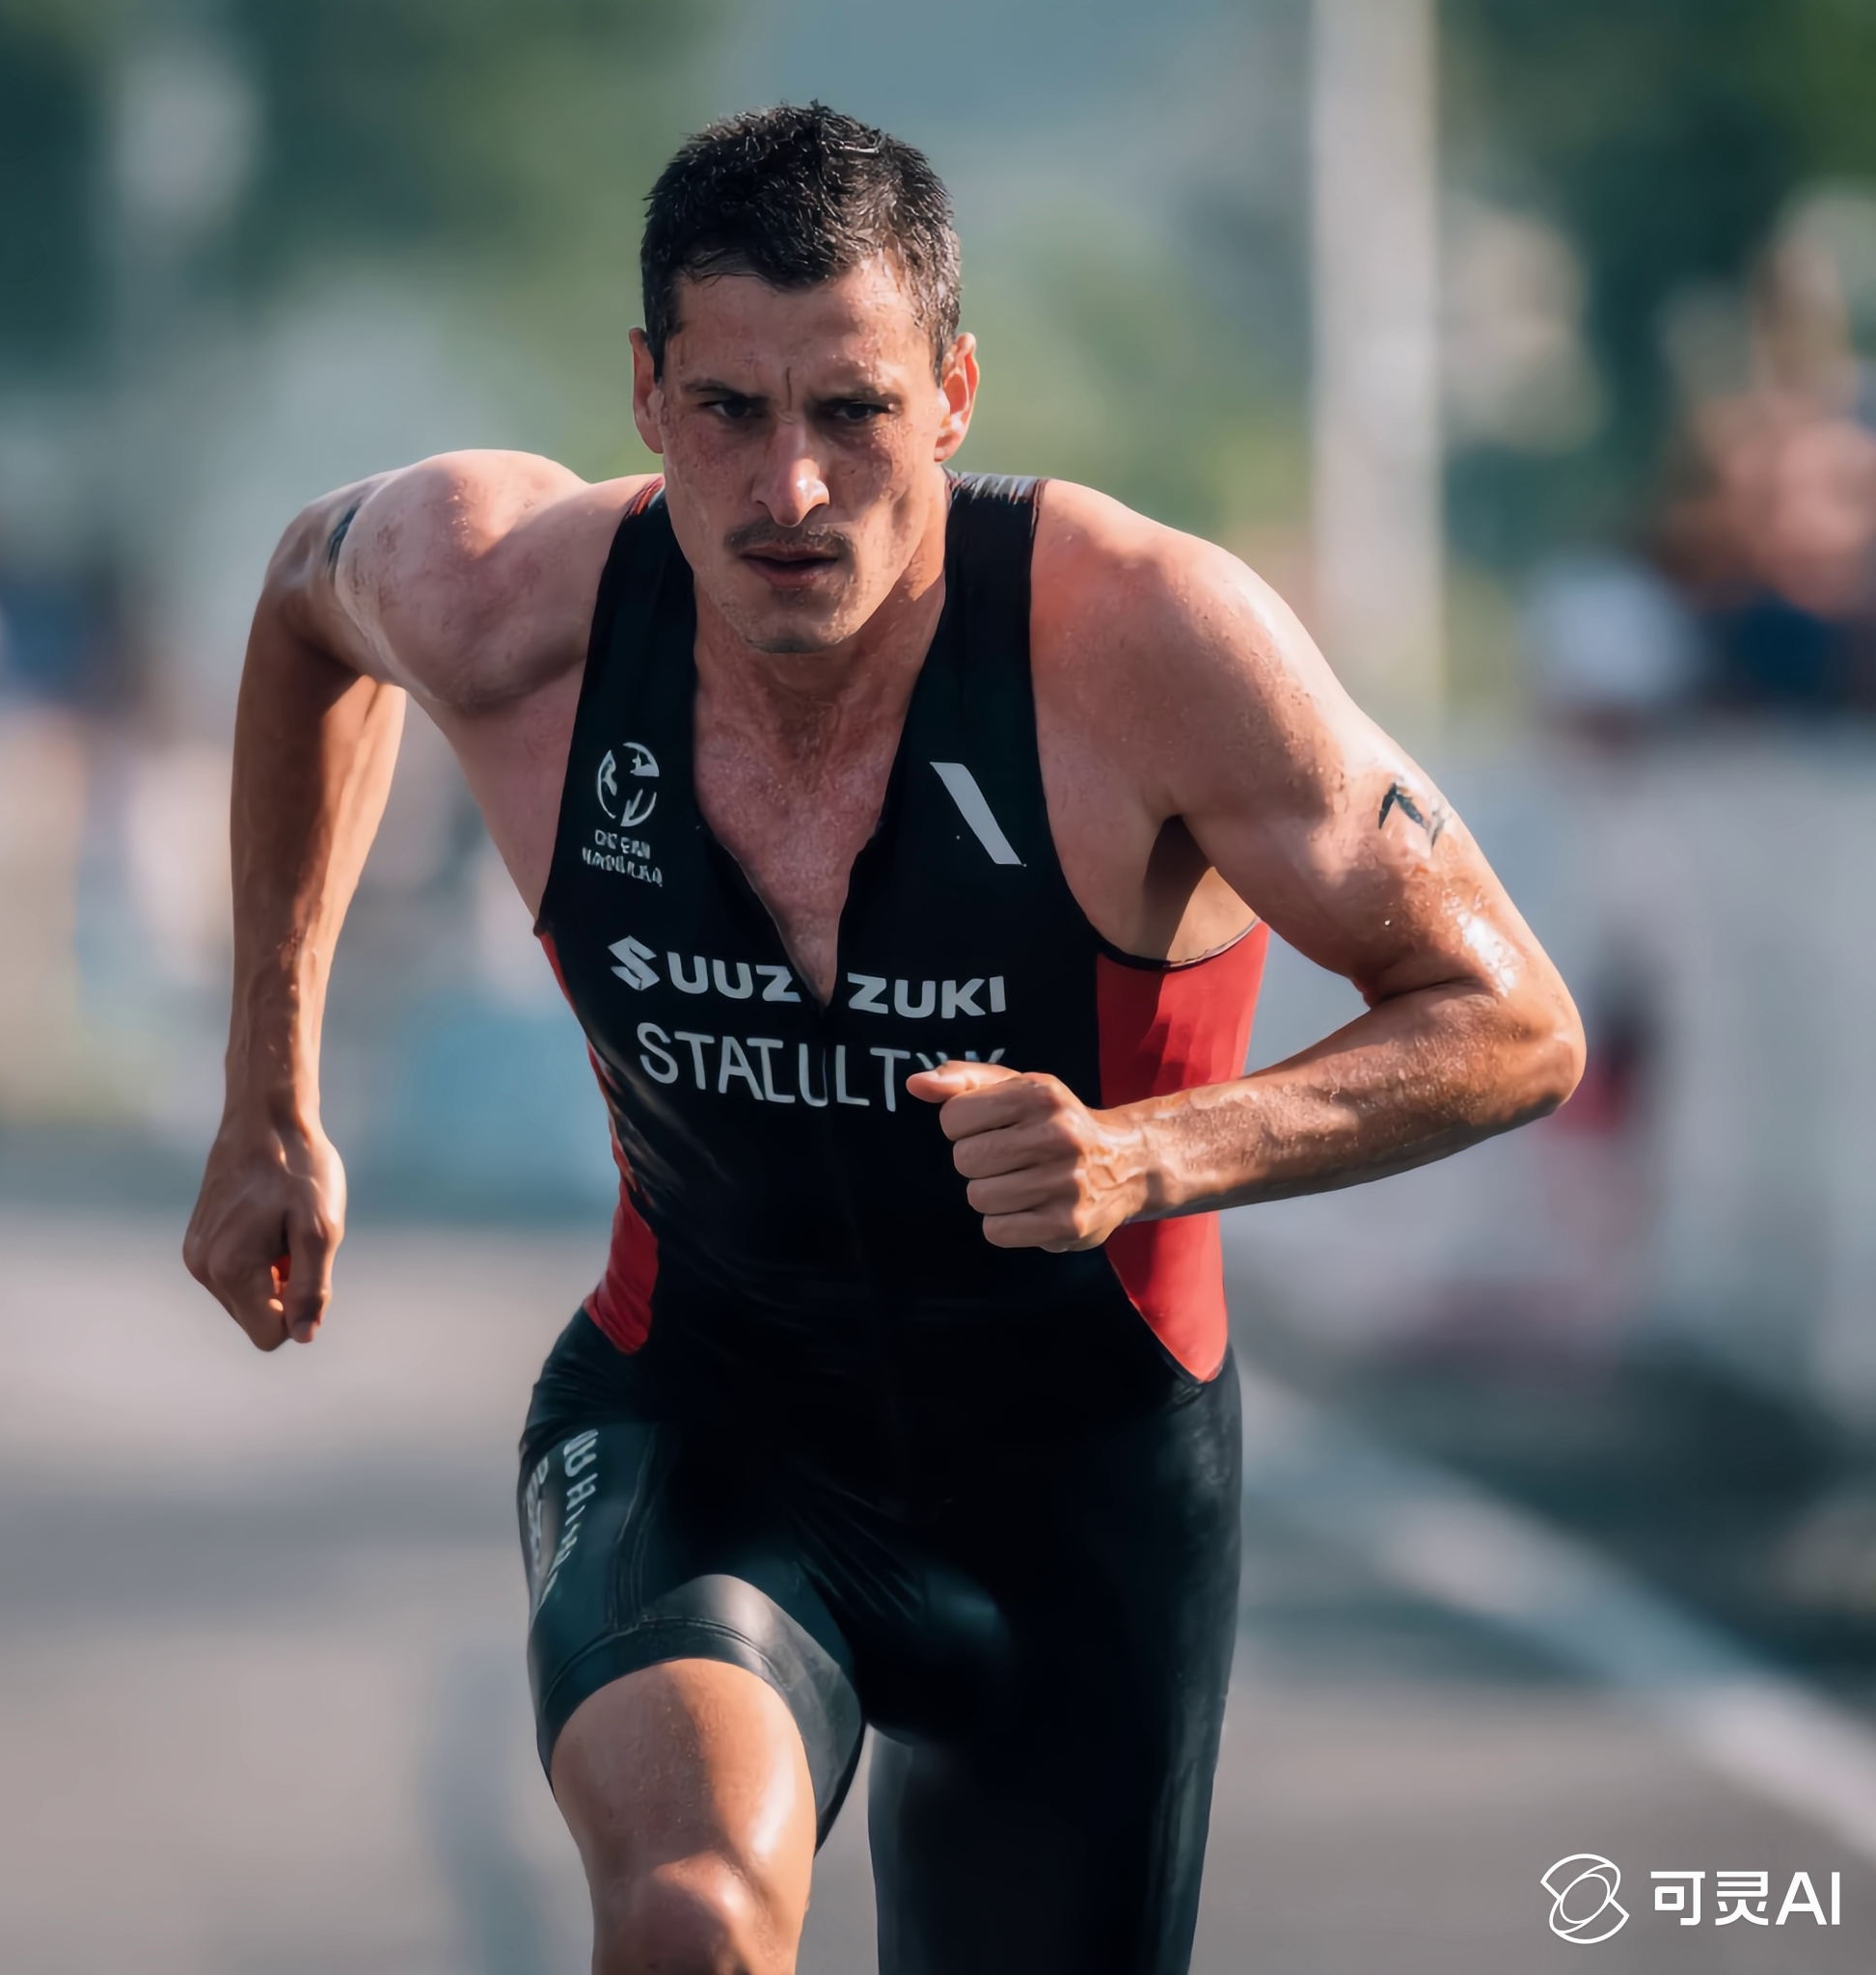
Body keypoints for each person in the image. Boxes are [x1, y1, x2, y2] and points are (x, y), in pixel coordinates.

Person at [184, 103, 1583, 1975]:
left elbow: (1515, 1022)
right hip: (704, 1420)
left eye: (850, 410)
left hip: (1082, 1501)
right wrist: (268, 1091)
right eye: (729, 413)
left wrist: (1149, 1151)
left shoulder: (1141, 641)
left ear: (952, 394)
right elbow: (303, 601)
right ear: (644, 395)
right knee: (689, 1920)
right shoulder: (511, 596)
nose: (788, 492)